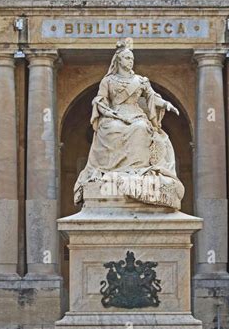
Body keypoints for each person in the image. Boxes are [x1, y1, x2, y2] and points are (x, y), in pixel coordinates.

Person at [74, 38, 185, 210]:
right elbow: (101, 99)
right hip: (114, 115)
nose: (130, 61)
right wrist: (104, 109)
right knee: (110, 128)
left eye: (132, 58)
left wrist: (166, 104)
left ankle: (136, 171)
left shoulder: (140, 80)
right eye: (127, 58)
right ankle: (112, 170)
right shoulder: (108, 81)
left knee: (140, 128)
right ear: (118, 60)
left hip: (135, 114)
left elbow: (151, 96)